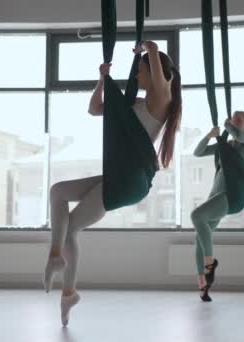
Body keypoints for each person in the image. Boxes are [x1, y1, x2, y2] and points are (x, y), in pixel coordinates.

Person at [43, 40, 182, 326]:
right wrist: (102, 79)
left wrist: (148, 51)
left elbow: (159, 73)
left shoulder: (161, 101)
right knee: (58, 193)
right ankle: (62, 272)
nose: (136, 76)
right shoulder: (136, 103)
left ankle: (64, 276)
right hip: (119, 175)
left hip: (130, 180)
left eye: (140, 71)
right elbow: (95, 109)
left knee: (71, 225)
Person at [191, 111, 244, 302]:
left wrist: (227, 125)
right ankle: (202, 284)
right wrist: (210, 136)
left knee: (197, 216)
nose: (234, 123)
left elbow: (239, 135)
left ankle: (210, 265)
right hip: (217, 194)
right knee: (200, 240)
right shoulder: (224, 146)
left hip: (232, 194)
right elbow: (198, 152)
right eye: (232, 120)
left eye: (238, 120)